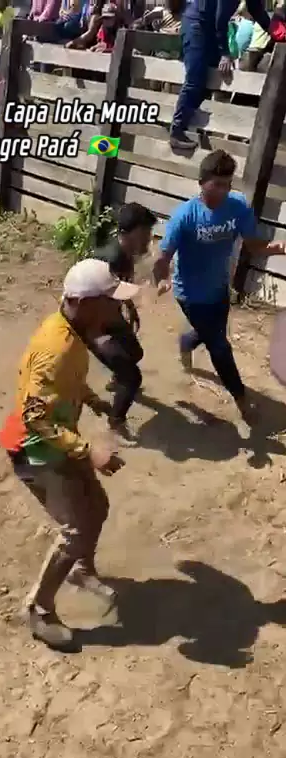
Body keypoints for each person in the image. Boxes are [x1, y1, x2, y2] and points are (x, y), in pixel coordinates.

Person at [0, 259, 130, 650]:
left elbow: (66, 382)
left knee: (96, 508)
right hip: (37, 451)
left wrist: (92, 399)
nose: (117, 309)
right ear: (85, 304)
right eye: (110, 302)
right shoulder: (57, 347)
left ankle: (81, 570)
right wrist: (89, 452)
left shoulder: (70, 330)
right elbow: (34, 417)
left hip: (56, 441)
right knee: (75, 529)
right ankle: (37, 609)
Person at [152, 149, 286, 423]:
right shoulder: (185, 216)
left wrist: (278, 248)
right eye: (218, 184)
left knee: (210, 334)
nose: (223, 191)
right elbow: (162, 257)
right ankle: (242, 401)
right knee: (220, 347)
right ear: (202, 182)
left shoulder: (237, 207)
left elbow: (253, 245)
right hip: (190, 295)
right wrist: (162, 279)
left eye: (227, 184)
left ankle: (186, 342)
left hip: (219, 288)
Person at [169, 0, 279, 151]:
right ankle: (177, 130)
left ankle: (196, 125)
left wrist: (277, 34)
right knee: (196, 78)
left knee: (212, 79)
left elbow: (258, 11)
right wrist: (225, 54)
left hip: (211, 29)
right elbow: (220, 18)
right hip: (197, 24)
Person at [92, 203, 157, 436]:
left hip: (109, 317)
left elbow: (119, 286)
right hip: (93, 324)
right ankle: (116, 420)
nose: (149, 238)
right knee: (132, 377)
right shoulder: (109, 259)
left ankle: (116, 378)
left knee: (135, 353)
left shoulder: (126, 254)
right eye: (146, 232)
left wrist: (129, 306)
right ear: (134, 232)